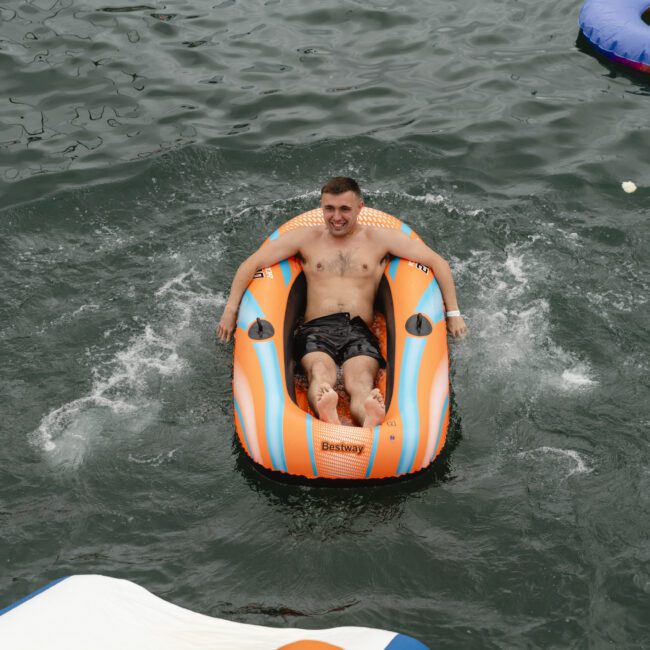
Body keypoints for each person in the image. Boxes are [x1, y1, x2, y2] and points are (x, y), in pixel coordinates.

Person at [217, 177, 467, 427]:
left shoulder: (380, 239)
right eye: (329, 209)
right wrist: (231, 310)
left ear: (360, 207)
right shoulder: (306, 238)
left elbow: (438, 263)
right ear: (321, 207)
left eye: (344, 209)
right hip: (316, 329)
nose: (336, 217)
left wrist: (453, 313)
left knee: (360, 382)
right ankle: (329, 414)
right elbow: (252, 264)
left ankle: (367, 417)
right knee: (320, 372)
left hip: (358, 329)